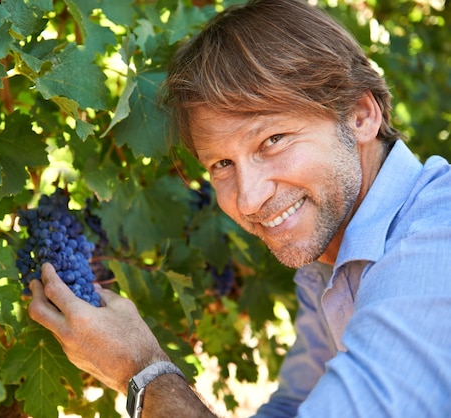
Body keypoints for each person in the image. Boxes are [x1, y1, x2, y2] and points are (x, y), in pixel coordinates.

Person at [28, 0, 451, 416]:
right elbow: (294, 405)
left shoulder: (433, 248)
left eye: (273, 140)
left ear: (360, 116)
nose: (249, 199)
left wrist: (141, 370)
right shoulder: (327, 262)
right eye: (222, 164)